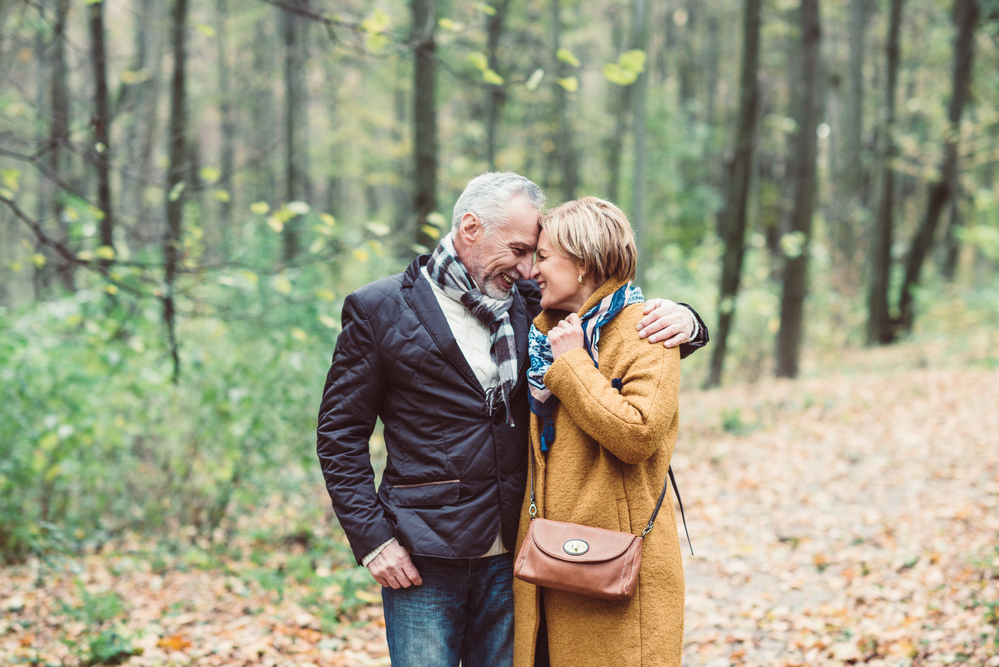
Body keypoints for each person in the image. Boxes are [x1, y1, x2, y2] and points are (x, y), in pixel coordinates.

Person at [316, 173, 706, 667]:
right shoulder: (379, 309)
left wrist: (689, 321)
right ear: (471, 227)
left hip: (519, 556)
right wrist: (373, 541)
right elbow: (339, 435)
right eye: (520, 249)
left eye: (535, 254)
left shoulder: (530, 305)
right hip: (421, 558)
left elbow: (611, 318)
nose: (527, 268)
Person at [513, 196, 686, 667]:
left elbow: (637, 435)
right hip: (546, 570)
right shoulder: (539, 332)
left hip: (617, 576)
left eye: (544, 257)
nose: (532, 270)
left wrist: (572, 365)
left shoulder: (647, 331)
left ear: (584, 264)